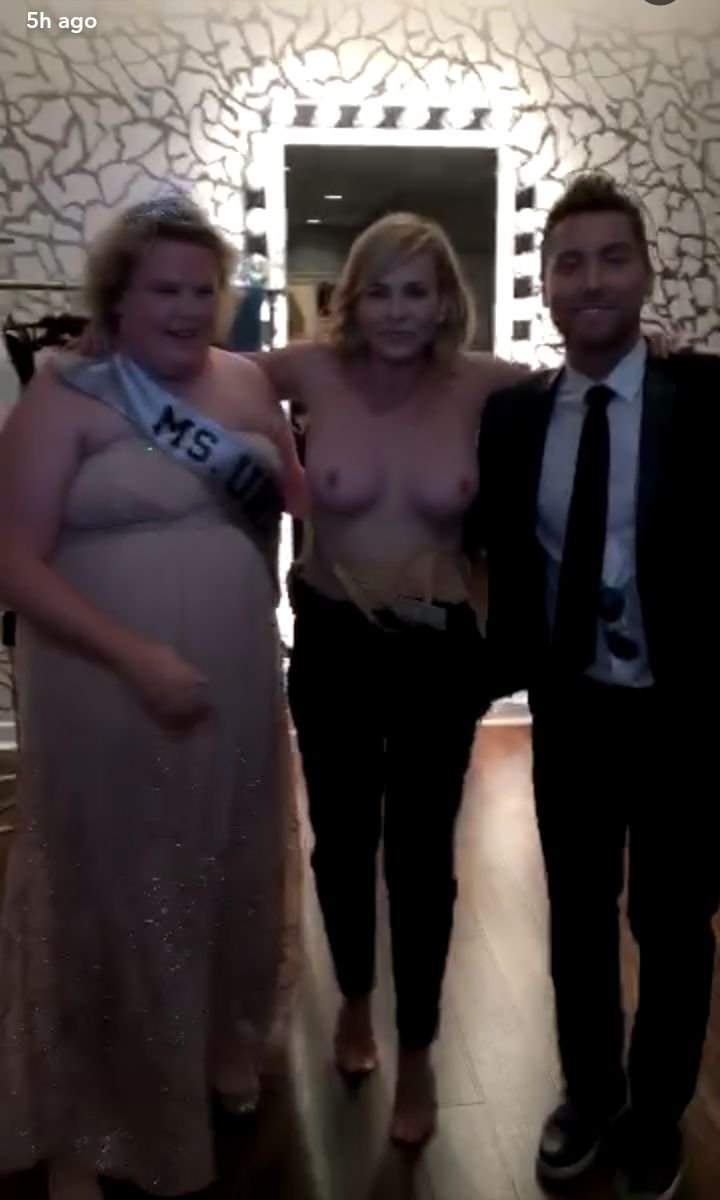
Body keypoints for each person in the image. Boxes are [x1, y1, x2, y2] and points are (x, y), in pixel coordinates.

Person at [0, 196, 305, 1200]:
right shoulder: (68, 391)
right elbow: (12, 559)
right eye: (163, 289)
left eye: (202, 288)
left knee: (226, 857)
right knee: (107, 886)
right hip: (99, 681)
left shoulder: (250, 381)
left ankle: (220, 1041)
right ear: (118, 300)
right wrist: (134, 655)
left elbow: (294, 498)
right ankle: (79, 1123)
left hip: (234, 676)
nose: (185, 307)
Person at [468, 172, 720, 1200]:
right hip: (570, 706)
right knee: (577, 912)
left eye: (614, 257)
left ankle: (656, 1113)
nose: (592, 279)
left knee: (674, 921)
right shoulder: (513, 415)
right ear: (546, 284)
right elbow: (494, 545)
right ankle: (588, 1092)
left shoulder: (708, 397)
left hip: (689, 712)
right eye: (570, 262)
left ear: (647, 272)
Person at [256, 212, 529, 1147]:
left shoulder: (483, 381)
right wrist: (96, 348)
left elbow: (586, 385)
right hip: (333, 643)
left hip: (434, 657)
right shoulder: (309, 370)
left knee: (420, 862)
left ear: (447, 299)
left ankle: (417, 1050)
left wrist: (659, 348)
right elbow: (198, 367)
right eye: (380, 291)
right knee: (341, 845)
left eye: (418, 290)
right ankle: (354, 1000)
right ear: (352, 299)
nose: (399, 310)